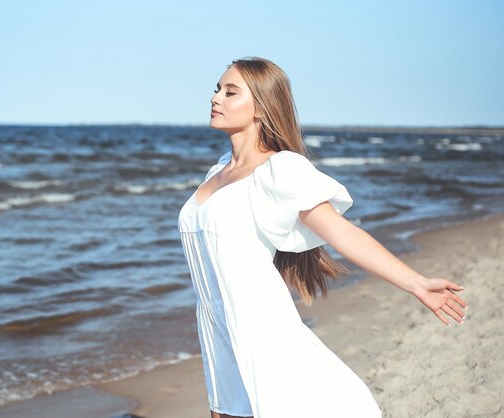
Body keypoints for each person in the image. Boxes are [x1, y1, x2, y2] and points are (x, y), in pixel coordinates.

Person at [176, 56, 468, 418]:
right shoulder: (217, 169)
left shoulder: (279, 170)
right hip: (215, 322)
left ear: (261, 108)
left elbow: (342, 232)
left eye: (230, 92)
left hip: (260, 327)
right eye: (217, 89)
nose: (216, 98)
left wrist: (417, 283)